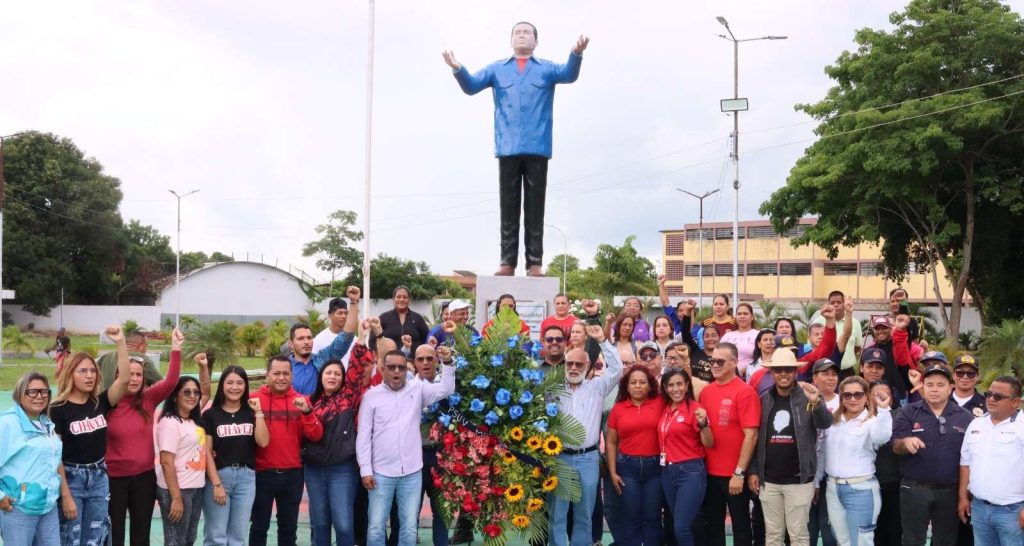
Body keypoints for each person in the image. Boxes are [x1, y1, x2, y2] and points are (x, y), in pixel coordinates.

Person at [444, 22, 589, 276]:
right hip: (507, 146)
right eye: (517, 32)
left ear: (536, 41)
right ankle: (507, 261)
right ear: (511, 40)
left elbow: (569, 74)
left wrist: (576, 53)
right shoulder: (497, 69)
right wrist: (457, 68)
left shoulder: (546, 69)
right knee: (508, 207)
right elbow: (472, 86)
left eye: (527, 32)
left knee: (535, 207)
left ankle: (534, 262)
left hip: (538, 145)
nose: (522, 35)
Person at [357, 347, 456, 546]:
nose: (396, 371)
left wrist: (447, 363)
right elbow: (363, 436)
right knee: (375, 527)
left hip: (411, 473)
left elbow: (446, 389)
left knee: (409, 528)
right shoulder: (371, 396)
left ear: (407, 370)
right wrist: (365, 470)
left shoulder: (417, 389)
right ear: (383, 369)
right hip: (380, 473)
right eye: (391, 367)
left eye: (401, 368)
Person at [49, 325, 130, 546]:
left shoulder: (100, 402)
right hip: (71, 478)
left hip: (99, 477)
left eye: (93, 371)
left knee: (96, 535)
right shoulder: (57, 409)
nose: (89, 376)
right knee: (71, 536)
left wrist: (120, 342)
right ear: (70, 374)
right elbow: (55, 456)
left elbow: (124, 379)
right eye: (83, 371)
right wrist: (66, 495)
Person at [106, 328, 184, 546]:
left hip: (144, 479)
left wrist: (175, 348)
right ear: (118, 376)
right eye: (129, 374)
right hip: (113, 480)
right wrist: (119, 342)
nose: (134, 379)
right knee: (114, 535)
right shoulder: (107, 403)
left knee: (141, 536)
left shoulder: (148, 399)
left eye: (139, 375)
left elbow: (171, 382)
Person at [747, 348, 832, 546]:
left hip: (799, 480)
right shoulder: (764, 399)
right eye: (778, 369)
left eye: (788, 369)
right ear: (771, 372)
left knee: (799, 536)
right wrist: (753, 470)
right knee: (773, 536)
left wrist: (817, 402)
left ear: (796, 371)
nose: (783, 373)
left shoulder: (808, 397)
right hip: (769, 481)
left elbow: (825, 423)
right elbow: (756, 438)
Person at [548, 325, 622, 546]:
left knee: (584, 515)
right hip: (559, 458)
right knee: (557, 515)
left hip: (588, 459)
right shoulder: (552, 390)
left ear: (588, 366)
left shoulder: (597, 387)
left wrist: (602, 341)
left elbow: (617, 369)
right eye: (569, 363)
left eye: (578, 364)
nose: (573, 368)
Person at [304, 320, 376, 546]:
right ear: (321, 376)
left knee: (344, 524)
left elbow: (356, 366)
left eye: (337, 373)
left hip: (342, 470)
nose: (333, 376)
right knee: (320, 524)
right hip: (314, 470)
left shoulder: (348, 397)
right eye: (328, 372)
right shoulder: (309, 402)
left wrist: (361, 338)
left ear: (343, 378)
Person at [891, 364, 971, 546]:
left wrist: (963, 495)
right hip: (914, 489)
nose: (934, 389)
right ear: (923, 386)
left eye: (940, 385)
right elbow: (894, 445)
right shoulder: (908, 412)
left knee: (946, 541)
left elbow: (970, 458)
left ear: (951, 387)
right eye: (930, 384)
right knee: (912, 540)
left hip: (949, 492)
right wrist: (905, 443)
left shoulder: (965, 417)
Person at [249, 355, 325, 546]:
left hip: (293, 474)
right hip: (261, 473)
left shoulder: (301, 401)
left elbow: (316, 435)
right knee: (258, 526)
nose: (281, 378)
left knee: (289, 528)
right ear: (267, 375)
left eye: (286, 373)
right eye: (276, 373)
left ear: (292, 375)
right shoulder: (253, 400)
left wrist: (307, 412)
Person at [698, 341, 761, 546]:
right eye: (712, 361)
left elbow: (751, 435)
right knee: (713, 527)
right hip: (709, 473)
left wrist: (739, 473)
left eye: (720, 362)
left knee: (741, 527)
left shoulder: (745, 392)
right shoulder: (706, 392)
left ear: (734, 363)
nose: (715, 365)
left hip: (734, 475)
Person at [201, 365, 270, 546]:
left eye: (240, 383)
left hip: (246, 478)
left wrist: (259, 413)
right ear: (222, 385)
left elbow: (263, 442)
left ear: (245, 385)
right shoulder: (210, 415)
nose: (234, 387)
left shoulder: (251, 413)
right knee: (216, 536)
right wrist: (216, 483)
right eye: (229, 382)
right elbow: (206, 452)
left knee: (238, 537)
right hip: (219, 476)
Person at [821, 376, 893, 546]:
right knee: (842, 540)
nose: (853, 399)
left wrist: (883, 409)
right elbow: (821, 451)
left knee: (862, 541)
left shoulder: (872, 421)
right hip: (833, 488)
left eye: (858, 394)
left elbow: (882, 437)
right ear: (841, 398)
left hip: (861, 489)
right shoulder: (831, 421)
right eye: (847, 395)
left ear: (866, 397)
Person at [958, 376, 1024, 546]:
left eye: (998, 396)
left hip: (1013, 512)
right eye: (989, 394)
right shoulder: (976, 424)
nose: (991, 399)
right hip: (979, 509)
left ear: (1015, 402)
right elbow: (965, 463)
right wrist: (963, 497)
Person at [0, 373, 62, 545]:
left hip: (48, 507)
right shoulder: (8, 423)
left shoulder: (45, 422)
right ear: (20, 394)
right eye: (33, 392)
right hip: (18, 508)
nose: (40, 396)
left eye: (44, 392)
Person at [605, 365, 663, 546]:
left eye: (642, 382)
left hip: (655, 468)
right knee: (630, 515)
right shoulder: (618, 409)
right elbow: (611, 442)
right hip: (627, 468)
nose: (638, 386)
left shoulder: (660, 403)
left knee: (653, 516)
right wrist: (613, 472)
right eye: (633, 382)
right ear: (627, 386)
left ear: (650, 385)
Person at [658, 368, 713, 546]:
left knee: (681, 527)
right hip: (667, 471)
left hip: (690, 472)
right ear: (665, 388)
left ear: (687, 385)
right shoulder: (666, 409)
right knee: (679, 524)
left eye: (679, 384)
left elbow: (709, 443)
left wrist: (704, 424)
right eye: (671, 385)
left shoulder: (695, 409)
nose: (676, 389)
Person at [155, 376, 208, 546]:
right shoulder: (170, 423)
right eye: (186, 392)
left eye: (196, 392)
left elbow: (206, 392)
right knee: (176, 541)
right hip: (178, 490)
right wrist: (176, 498)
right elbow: (166, 462)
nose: (192, 396)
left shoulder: (191, 420)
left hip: (195, 488)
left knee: (188, 540)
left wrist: (204, 367)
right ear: (175, 396)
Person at [288, 286, 361, 395]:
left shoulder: (322, 359)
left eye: (309, 338)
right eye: (300, 338)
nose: (306, 342)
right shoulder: (285, 366)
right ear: (291, 344)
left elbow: (347, 336)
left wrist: (354, 302)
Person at [809, 358, 840, 546]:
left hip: (833, 475)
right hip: (807, 473)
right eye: (825, 373)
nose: (831, 378)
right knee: (808, 531)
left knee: (830, 533)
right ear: (814, 378)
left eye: (834, 374)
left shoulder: (845, 401)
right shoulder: (805, 401)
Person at [868, 381, 902, 546]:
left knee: (894, 528)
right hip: (867, 483)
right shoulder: (862, 418)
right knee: (873, 530)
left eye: (885, 393)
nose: (881, 396)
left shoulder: (900, 416)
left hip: (894, 483)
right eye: (876, 393)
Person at [813, 292, 861, 378]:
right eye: (832, 302)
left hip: (847, 373)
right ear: (828, 304)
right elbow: (812, 346)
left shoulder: (855, 323)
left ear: (844, 304)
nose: (836, 305)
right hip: (823, 371)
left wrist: (842, 356)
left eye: (839, 302)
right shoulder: (818, 321)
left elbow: (857, 347)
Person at [374, 286, 431, 353]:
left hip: (412, 358)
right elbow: (373, 340)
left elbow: (427, 340)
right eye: (398, 297)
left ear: (409, 300)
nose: (401, 299)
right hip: (389, 358)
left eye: (405, 297)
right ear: (393, 299)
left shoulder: (417, 318)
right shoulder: (384, 318)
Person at [677, 299, 718, 383]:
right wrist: (688, 311)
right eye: (707, 335)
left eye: (713, 335)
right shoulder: (695, 351)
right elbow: (685, 332)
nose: (710, 338)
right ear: (702, 338)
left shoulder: (723, 358)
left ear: (719, 338)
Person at [311, 297, 355, 365]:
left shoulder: (353, 339)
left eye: (346, 313)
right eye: (340, 313)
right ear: (330, 316)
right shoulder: (318, 340)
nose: (344, 316)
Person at [721, 303, 758, 378]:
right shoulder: (727, 336)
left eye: (745, 314)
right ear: (735, 317)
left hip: (749, 377)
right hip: (726, 377)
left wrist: (742, 371)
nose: (742, 316)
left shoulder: (758, 335)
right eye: (739, 314)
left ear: (752, 317)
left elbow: (762, 360)